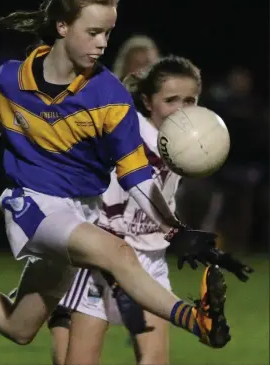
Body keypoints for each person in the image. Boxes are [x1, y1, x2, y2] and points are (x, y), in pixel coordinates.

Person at [0, 0, 250, 351]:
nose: (102, 43)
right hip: (33, 204)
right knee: (116, 253)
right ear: (62, 26)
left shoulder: (110, 96)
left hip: (81, 212)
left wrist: (175, 229)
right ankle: (196, 319)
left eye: (107, 33)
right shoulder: (12, 79)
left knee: (20, 325)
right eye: (93, 32)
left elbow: (135, 172)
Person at [46, 56, 204, 365]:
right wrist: (117, 279)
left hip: (151, 260)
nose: (182, 108)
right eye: (171, 100)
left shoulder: (185, 143)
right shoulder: (126, 140)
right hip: (102, 260)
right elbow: (101, 216)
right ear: (147, 101)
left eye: (190, 100)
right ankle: (58, 314)